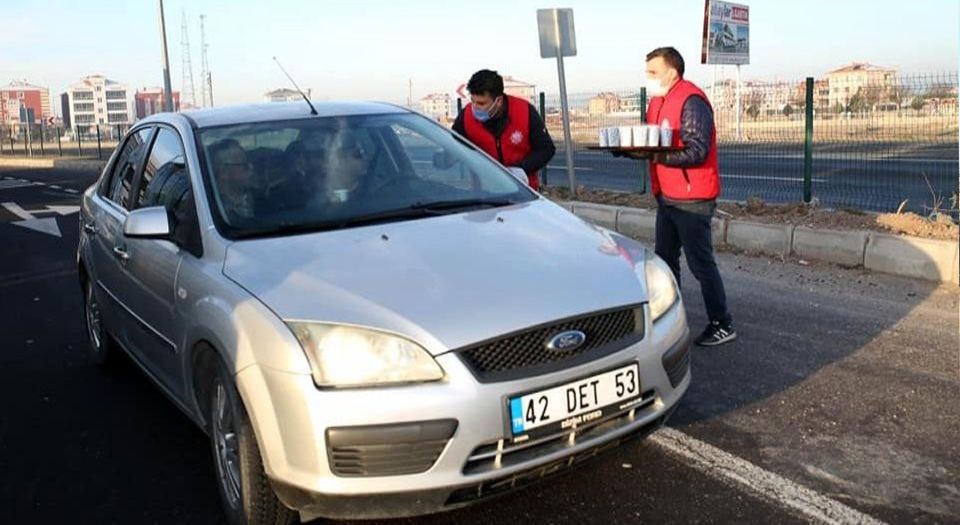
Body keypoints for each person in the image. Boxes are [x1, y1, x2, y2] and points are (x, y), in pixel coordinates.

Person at [643, 46, 736, 346]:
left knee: (700, 263)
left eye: (653, 72)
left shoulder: (691, 100)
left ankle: (722, 323)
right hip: (667, 195)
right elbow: (654, 141)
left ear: (671, 72)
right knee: (665, 261)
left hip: (692, 197)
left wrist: (659, 159)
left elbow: (697, 150)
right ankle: (672, 320)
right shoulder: (658, 101)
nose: (648, 78)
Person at [453, 69, 555, 190]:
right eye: (472, 101)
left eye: (481, 103)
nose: (474, 107)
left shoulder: (525, 112)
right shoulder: (466, 117)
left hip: (523, 191)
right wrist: (442, 158)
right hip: (483, 193)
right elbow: (452, 147)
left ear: (499, 101)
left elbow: (546, 149)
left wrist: (521, 169)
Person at [208, 139, 258, 220]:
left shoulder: (264, 198)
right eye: (245, 166)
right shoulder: (209, 210)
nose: (252, 168)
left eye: (250, 162)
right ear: (223, 172)